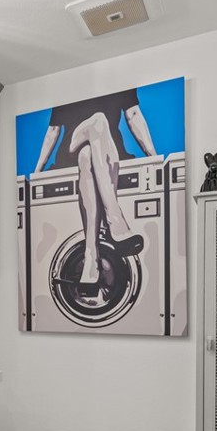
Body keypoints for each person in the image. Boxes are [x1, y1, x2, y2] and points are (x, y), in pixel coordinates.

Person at [33, 89, 156, 285]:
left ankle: (91, 259)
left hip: (107, 153)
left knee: (87, 156)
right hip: (72, 147)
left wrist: (153, 157)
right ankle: (114, 219)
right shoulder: (66, 88)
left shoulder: (121, 83)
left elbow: (133, 114)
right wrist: (37, 172)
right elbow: (53, 131)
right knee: (98, 120)